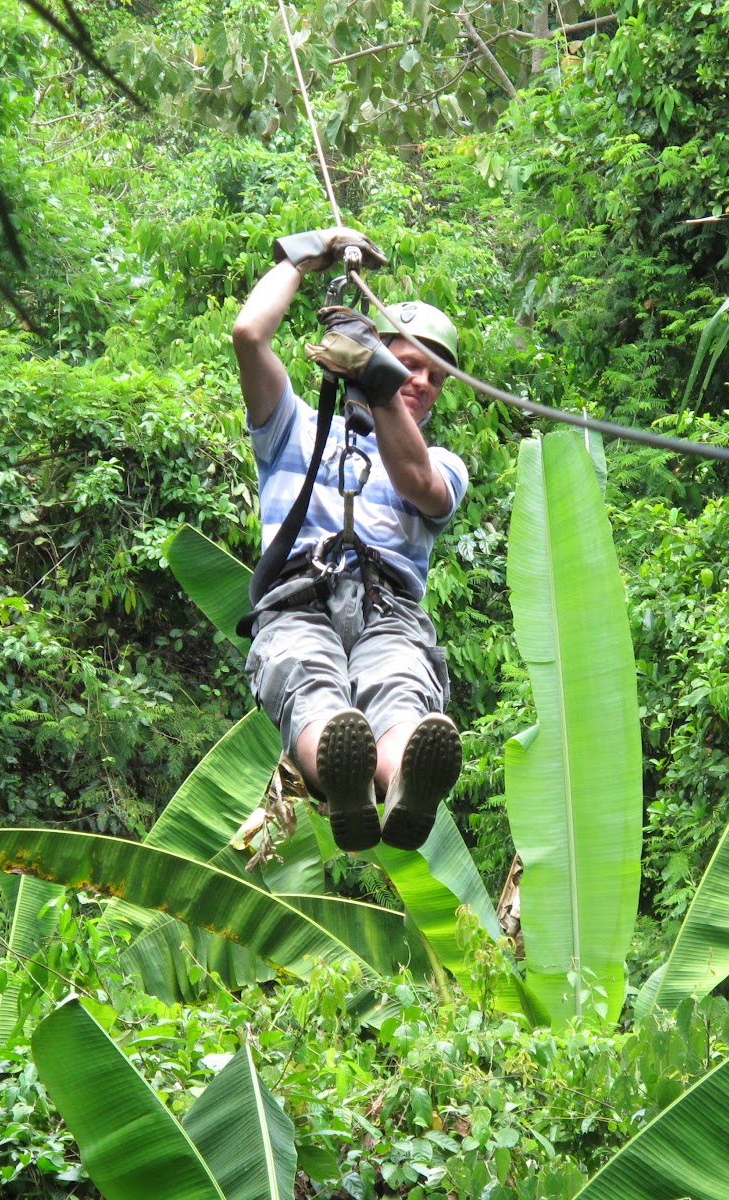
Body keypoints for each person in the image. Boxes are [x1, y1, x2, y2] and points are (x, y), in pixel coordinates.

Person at [232, 226, 466, 854]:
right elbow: (249, 335)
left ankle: (401, 782)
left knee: (400, 688)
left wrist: (380, 382)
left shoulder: (442, 461)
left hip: (388, 610)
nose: (419, 382)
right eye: (408, 364)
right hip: (300, 597)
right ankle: (341, 774)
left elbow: (420, 484)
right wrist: (302, 257)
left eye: (433, 376)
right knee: (307, 681)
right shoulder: (293, 428)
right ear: (375, 354)